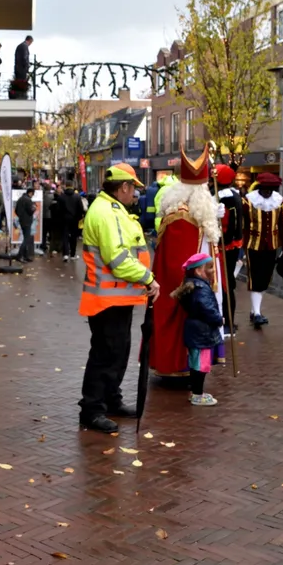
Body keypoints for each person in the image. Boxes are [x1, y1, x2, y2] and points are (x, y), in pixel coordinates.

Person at [78, 163, 160, 433]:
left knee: (117, 352)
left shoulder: (110, 209)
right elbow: (118, 259)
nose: (135, 193)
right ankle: (92, 410)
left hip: (115, 297)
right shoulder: (107, 213)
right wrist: (147, 278)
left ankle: (110, 400)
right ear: (123, 187)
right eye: (133, 188)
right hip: (108, 299)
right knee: (106, 354)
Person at [150, 147, 226, 379]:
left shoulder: (196, 212)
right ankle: (183, 369)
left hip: (202, 279)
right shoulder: (181, 216)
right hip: (191, 285)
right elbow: (179, 262)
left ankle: (194, 369)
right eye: (204, 187)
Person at [170, 253, 224, 406]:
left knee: (196, 362)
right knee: (201, 365)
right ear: (199, 271)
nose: (212, 271)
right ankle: (197, 394)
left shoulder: (192, 285)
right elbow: (206, 308)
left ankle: (195, 392)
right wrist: (219, 319)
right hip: (202, 332)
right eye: (209, 268)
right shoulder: (201, 288)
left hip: (196, 330)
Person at [243, 173, 283, 327]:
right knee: (255, 278)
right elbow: (243, 225)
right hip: (252, 245)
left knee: (265, 279)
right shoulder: (248, 201)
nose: (267, 192)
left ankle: (254, 311)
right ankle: (257, 313)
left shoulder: (279, 202)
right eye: (265, 189)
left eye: (270, 190)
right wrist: (239, 246)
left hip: (271, 246)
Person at [214, 165, 242, 337]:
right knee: (227, 283)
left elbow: (227, 225)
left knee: (224, 284)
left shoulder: (225, 199)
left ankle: (228, 322)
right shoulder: (234, 195)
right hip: (231, 245)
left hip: (225, 246)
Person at [62, 186, 85, 261]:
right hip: (74, 219)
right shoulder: (77, 197)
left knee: (65, 236)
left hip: (64, 219)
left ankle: (65, 254)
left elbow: (59, 209)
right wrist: (80, 217)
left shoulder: (62, 196)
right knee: (73, 237)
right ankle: (72, 254)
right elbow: (80, 208)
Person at [14, 187, 36, 262]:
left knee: (25, 238)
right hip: (27, 221)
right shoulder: (28, 200)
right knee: (26, 239)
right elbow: (31, 211)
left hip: (22, 221)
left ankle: (25, 255)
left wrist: (21, 216)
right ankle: (20, 255)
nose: (32, 196)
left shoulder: (20, 199)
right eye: (32, 194)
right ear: (30, 193)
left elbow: (16, 210)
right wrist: (34, 208)